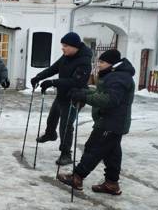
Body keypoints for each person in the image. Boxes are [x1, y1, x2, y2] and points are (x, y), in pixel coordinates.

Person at [58, 49, 135, 195]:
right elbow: (103, 94)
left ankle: (77, 177)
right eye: (99, 61)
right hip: (113, 122)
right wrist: (84, 93)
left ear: (112, 64)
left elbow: (110, 100)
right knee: (111, 153)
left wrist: (84, 97)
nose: (98, 65)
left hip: (111, 123)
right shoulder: (116, 75)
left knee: (94, 148)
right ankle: (111, 183)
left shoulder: (118, 78)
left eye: (102, 62)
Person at [30, 32, 92, 165]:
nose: (63, 48)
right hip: (62, 94)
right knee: (52, 117)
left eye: (65, 46)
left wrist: (52, 83)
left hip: (74, 97)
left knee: (66, 125)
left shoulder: (84, 61)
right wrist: (38, 77)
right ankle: (50, 134)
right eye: (62, 45)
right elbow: (53, 68)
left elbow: (76, 82)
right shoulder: (66, 56)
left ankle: (66, 154)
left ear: (74, 46)